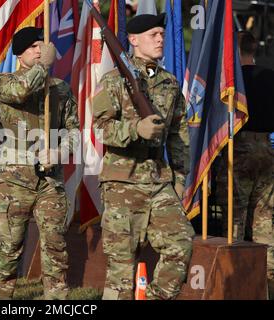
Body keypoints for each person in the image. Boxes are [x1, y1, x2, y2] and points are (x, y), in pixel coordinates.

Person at [93, 13, 195, 300]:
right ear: (134, 40)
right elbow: (100, 130)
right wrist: (136, 128)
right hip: (121, 183)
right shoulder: (113, 82)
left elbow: (178, 134)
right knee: (121, 271)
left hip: (159, 180)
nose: (161, 39)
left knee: (182, 242)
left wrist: (179, 177)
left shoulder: (170, 83)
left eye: (162, 33)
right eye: (154, 35)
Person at [0, 27, 80, 300]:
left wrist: (61, 151)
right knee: (8, 245)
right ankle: (1, 297)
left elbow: (74, 129)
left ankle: (56, 298)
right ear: (19, 53)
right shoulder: (3, 82)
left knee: (55, 244)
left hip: (50, 180)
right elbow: (21, 92)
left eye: (42, 45)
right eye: (33, 47)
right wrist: (43, 66)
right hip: (13, 180)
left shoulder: (60, 89)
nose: (40, 51)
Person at [215, 31, 274, 298]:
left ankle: (237, 284)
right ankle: (267, 284)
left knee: (234, 221)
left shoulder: (231, 83)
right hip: (267, 150)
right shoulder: (270, 77)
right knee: (264, 221)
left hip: (237, 151)